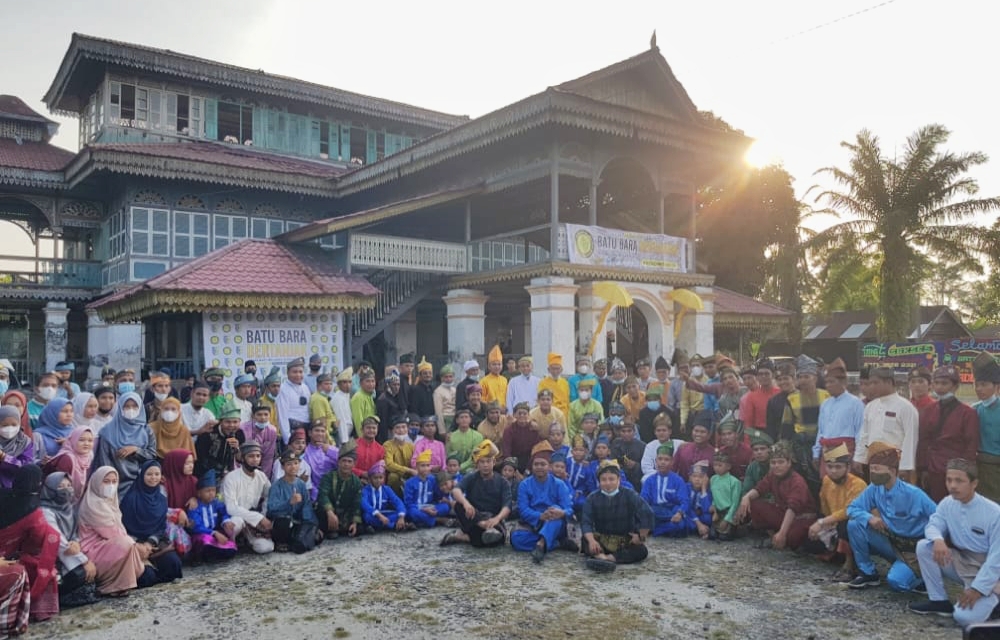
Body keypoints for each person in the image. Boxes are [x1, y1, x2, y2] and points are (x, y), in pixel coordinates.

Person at [909, 458, 1000, 626]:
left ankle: (995, 601)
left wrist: (978, 589)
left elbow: (997, 558)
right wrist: (938, 539)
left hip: (990, 570)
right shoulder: (947, 503)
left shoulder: (993, 512)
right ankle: (939, 602)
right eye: (949, 480)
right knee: (924, 546)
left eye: (959, 481)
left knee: (964, 618)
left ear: (974, 483)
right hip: (962, 562)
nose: (952, 486)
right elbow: (933, 525)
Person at [845, 441, 936, 591]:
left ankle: (922, 576)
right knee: (855, 524)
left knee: (897, 583)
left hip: (912, 549)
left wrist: (933, 544)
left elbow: (939, 517)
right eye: (871, 469)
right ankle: (868, 573)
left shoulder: (914, 494)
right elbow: (852, 508)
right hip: (891, 541)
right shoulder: (875, 488)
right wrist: (870, 518)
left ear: (893, 471)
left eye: (877, 469)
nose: (873, 473)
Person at [77, 467, 155, 596]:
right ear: (96, 483)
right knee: (127, 544)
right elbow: (113, 534)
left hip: (109, 549)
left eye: (114, 482)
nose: (111, 486)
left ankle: (122, 583)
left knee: (149, 575)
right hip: (93, 553)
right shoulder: (93, 505)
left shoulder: (109, 501)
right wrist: (136, 546)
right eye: (106, 482)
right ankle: (110, 586)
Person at [0, 465, 59, 621]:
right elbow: (38, 538)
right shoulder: (33, 509)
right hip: (11, 556)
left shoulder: (4, 495)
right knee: (38, 564)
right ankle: (34, 612)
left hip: (7, 554)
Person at [736, 440, 817, 551]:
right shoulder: (772, 475)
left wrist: (782, 533)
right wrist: (746, 498)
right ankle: (772, 536)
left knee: (792, 537)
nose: (776, 466)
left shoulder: (797, 481)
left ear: (789, 463)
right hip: (783, 513)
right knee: (754, 504)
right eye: (773, 463)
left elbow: (792, 508)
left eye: (780, 462)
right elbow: (760, 489)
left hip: (801, 517)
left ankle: (783, 537)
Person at [916, 365, 980, 502]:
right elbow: (923, 441)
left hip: (956, 470)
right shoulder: (928, 411)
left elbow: (971, 445)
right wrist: (922, 468)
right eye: (937, 383)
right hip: (932, 468)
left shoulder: (968, 413)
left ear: (955, 386)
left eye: (945, 383)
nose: (940, 387)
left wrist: (964, 473)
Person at [806, 443, 867, 582]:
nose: (833, 471)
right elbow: (824, 507)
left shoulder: (858, 484)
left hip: (857, 526)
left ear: (848, 467)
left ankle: (850, 565)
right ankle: (837, 553)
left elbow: (850, 511)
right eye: (830, 467)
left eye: (838, 467)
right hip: (833, 523)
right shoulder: (827, 480)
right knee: (810, 543)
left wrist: (823, 522)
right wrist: (823, 524)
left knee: (847, 525)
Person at [581, 460, 654, 572]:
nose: (608, 483)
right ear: (599, 481)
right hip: (602, 539)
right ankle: (600, 556)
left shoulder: (630, 494)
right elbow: (586, 522)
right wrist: (592, 541)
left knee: (641, 551)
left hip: (624, 541)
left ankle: (607, 558)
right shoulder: (592, 498)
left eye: (612, 479)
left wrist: (641, 536)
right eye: (604, 480)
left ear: (619, 480)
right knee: (585, 541)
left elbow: (647, 512)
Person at [39, 472, 98, 608]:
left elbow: (74, 533)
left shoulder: (69, 507)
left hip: (71, 551)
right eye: (60, 487)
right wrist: (84, 561)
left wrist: (76, 542)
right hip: (52, 556)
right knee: (82, 573)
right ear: (50, 489)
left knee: (94, 568)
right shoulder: (45, 510)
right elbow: (57, 540)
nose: (66, 490)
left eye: (69, 485)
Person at [118, 460, 183, 581]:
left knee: (174, 565)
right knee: (146, 577)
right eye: (149, 474)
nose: (153, 478)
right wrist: (139, 544)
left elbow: (161, 527)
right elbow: (123, 527)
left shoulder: (161, 499)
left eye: (157, 474)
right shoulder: (130, 499)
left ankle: (154, 571)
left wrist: (150, 543)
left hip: (155, 542)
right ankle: (150, 572)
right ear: (142, 475)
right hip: (134, 544)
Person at [511, 441, 574, 563]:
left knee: (554, 510)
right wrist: (540, 516)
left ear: (549, 467)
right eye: (536, 464)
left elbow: (569, 509)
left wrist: (561, 513)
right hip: (534, 523)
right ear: (532, 466)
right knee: (516, 540)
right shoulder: (524, 484)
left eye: (543, 464)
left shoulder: (559, 484)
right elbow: (523, 510)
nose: (539, 467)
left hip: (554, 521)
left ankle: (541, 544)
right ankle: (555, 543)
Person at [440, 439, 511, 548]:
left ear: (494, 462)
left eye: (488, 461)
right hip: (474, 518)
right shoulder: (471, 477)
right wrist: (466, 503)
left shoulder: (503, 482)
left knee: (498, 539)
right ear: (477, 464)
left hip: (493, 520)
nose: (485, 465)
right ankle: (482, 527)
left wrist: (497, 519)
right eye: (482, 462)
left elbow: (507, 506)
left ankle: (463, 537)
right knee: (459, 505)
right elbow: (456, 490)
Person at [854, 367, 919, 484]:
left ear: (889, 382)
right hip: (874, 462)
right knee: (877, 496)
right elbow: (865, 435)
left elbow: (910, 439)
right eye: (870, 383)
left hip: (895, 464)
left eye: (875, 383)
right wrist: (859, 458)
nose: (871, 387)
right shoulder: (870, 407)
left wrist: (905, 467)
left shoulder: (905, 407)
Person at [92, 393, 158, 499]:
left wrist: (136, 450)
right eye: (127, 406)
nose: (131, 409)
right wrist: (112, 481)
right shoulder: (108, 431)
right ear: (120, 408)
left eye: (134, 406)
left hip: (142, 481)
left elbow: (152, 455)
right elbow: (104, 461)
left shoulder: (146, 430)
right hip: (116, 484)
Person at [813, 358, 864, 478]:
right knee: (828, 486)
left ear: (843, 383)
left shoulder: (855, 403)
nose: (828, 386)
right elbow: (821, 431)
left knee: (846, 486)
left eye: (831, 382)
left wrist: (858, 457)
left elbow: (860, 433)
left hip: (846, 450)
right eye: (826, 382)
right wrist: (816, 453)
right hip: (826, 449)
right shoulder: (825, 404)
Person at [220, 442, 275, 554]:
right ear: (243, 458)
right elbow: (230, 508)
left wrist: (263, 514)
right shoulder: (231, 477)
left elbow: (270, 495)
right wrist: (258, 517)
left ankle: (247, 540)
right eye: (251, 456)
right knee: (236, 524)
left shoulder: (261, 476)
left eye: (258, 456)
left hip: (253, 520)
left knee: (266, 548)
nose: (255, 459)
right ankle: (231, 545)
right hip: (233, 517)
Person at [267, 450, 319, 552]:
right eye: (289, 464)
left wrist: (310, 524)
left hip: (297, 521)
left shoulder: (301, 484)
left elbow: (306, 505)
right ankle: (281, 542)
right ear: (282, 467)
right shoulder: (276, 486)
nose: (293, 467)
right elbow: (271, 509)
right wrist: (289, 503)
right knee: (283, 521)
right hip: (282, 523)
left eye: (296, 463)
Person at [186, 470, 238, 563]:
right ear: (199, 493)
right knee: (205, 540)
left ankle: (217, 553)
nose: (211, 494)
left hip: (216, 533)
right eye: (207, 491)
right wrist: (213, 533)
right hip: (201, 535)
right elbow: (195, 526)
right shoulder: (195, 506)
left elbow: (224, 513)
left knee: (231, 546)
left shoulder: (216, 503)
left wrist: (226, 521)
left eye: (213, 490)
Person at [640, 443, 690, 538]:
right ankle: (662, 529)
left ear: (672, 462)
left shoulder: (678, 480)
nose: (662, 462)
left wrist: (679, 513)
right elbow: (643, 500)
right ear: (656, 461)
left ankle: (654, 530)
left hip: (672, 512)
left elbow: (684, 501)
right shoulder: (649, 480)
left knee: (681, 524)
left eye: (666, 460)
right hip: (655, 512)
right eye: (660, 459)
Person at [317, 447, 363, 538]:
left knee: (360, 528)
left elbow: (356, 502)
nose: (346, 464)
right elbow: (323, 495)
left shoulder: (356, 481)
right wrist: (330, 512)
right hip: (329, 513)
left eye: (349, 462)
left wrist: (355, 522)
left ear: (354, 464)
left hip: (345, 514)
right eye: (344, 461)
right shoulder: (328, 477)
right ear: (338, 462)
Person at [194, 399, 245, 480]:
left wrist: (237, 449)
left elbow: (241, 459)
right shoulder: (208, 433)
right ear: (220, 422)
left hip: (228, 473)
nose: (231, 425)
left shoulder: (239, 434)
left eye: (235, 422)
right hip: (206, 473)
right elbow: (200, 458)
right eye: (227, 422)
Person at [973, 352, 1000, 501]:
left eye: (984, 385)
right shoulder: (973, 410)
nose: (979, 389)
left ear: (996, 386)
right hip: (979, 466)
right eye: (977, 385)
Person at [42, 426, 93, 501]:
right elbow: (60, 488)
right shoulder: (67, 459)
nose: (86, 443)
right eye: (81, 440)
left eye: (90, 440)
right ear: (74, 440)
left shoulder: (87, 457)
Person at [404, 449, 451, 528]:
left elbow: (438, 496)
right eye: (423, 466)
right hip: (416, 508)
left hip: (431, 506)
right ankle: (438, 520)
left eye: (427, 465)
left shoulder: (432, 479)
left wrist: (445, 490)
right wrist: (424, 509)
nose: (426, 468)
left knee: (445, 507)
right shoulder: (410, 482)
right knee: (412, 513)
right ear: (417, 467)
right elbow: (408, 502)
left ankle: (423, 521)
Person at [360, 460, 410, 533]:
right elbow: (365, 504)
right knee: (367, 517)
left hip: (385, 514)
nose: (378, 480)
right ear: (370, 479)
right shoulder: (366, 490)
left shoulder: (387, 489)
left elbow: (397, 502)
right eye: (375, 478)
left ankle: (379, 526)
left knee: (401, 513)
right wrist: (379, 515)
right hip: (374, 515)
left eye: (380, 478)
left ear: (384, 478)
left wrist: (401, 517)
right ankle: (394, 526)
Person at [277, 357, 311, 445]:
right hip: (293, 430)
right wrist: (287, 439)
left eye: (300, 372)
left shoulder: (305, 387)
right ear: (288, 373)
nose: (298, 375)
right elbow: (282, 415)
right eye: (294, 372)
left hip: (307, 430)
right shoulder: (283, 389)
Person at [241, 403, 280, 480]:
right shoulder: (243, 429)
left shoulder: (272, 430)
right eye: (259, 415)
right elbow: (240, 455)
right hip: (243, 463)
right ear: (253, 416)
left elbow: (268, 457)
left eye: (266, 414)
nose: (263, 418)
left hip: (260, 464)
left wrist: (263, 478)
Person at [709, 451, 743, 540]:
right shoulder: (713, 479)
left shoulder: (735, 482)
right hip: (718, 512)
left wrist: (727, 519)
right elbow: (714, 496)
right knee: (712, 535)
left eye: (720, 465)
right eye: (715, 465)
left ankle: (737, 528)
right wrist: (713, 505)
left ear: (728, 467)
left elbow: (735, 503)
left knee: (724, 537)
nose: (716, 468)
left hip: (729, 511)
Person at [301, 423, 338, 500]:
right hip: (315, 495)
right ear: (310, 433)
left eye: (322, 431)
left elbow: (344, 465)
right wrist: (318, 496)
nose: (320, 434)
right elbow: (307, 479)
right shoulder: (305, 452)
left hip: (334, 492)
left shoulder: (332, 449)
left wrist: (329, 451)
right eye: (317, 431)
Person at [31, 396, 74, 463]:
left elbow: (84, 457)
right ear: (52, 413)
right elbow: (28, 460)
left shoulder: (74, 433)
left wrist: (69, 444)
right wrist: (41, 462)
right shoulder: (38, 435)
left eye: (71, 411)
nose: (69, 415)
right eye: (64, 411)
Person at [502, 402, 542, 474]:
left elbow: (536, 451)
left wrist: (528, 470)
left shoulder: (533, 429)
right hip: (514, 462)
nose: (522, 415)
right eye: (519, 413)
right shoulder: (509, 431)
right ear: (514, 415)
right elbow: (506, 452)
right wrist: (514, 470)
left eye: (524, 413)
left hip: (530, 462)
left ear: (528, 415)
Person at [0, 405, 34, 489]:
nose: (9, 428)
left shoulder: (25, 442)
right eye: (4, 425)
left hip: (14, 488)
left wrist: (5, 457)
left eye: (14, 424)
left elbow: (25, 467)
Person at [742, 359, 780, 432]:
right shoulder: (751, 397)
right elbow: (748, 423)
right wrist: (748, 442)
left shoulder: (780, 393)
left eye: (766, 374)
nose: (763, 376)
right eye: (760, 374)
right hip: (760, 436)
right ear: (757, 377)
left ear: (773, 375)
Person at [383, 417, 416, 495]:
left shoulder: (411, 446)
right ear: (393, 431)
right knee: (393, 477)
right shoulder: (387, 445)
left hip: (409, 475)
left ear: (407, 429)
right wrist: (408, 470)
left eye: (403, 427)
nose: (401, 430)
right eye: (397, 428)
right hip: (396, 475)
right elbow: (389, 464)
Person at [766, 362, 797, 442]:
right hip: (782, 443)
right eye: (779, 379)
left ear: (793, 378)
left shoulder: (802, 397)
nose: (783, 382)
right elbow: (771, 427)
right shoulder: (773, 401)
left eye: (786, 378)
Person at [567, 377, 604, 442]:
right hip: (577, 435)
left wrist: (595, 436)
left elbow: (600, 422)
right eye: (581, 390)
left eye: (586, 390)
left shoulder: (597, 405)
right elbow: (571, 425)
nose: (584, 392)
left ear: (591, 391)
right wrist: (576, 438)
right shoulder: (572, 405)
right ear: (578, 391)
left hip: (594, 436)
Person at [448, 409, 485, 473]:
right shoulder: (451, 437)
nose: (464, 419)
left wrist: (461, 467)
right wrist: (455, 467)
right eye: (461, 417)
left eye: (466, 417)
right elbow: (449, 455)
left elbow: (474, 457)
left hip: (472, 468)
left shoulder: (478, 436)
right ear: (457, 420)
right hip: (453, 469)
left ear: (470, 420)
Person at [716, 415, 752, 480]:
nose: (727, 437)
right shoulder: (721, 452)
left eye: (729, 434)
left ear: (736, 435)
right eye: (723, 434)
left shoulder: (748, 451)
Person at [612, 420, 645, 489]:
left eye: (629, 431)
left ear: (634, 432)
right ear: (619, 432)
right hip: (619, 478)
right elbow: (612, 460)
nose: (626, 434)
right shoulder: (615, 443)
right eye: (623, 431)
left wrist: (635, 465)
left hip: (637, 479)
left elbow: (646, 465)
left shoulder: (642, 446)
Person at [375, 375, 407, 442]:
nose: (396, 387)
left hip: (398, 431)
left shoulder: (397, 397)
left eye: (398, 385)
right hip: (388, 433)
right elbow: (383, 422)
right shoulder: (383, 399)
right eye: (394, 384)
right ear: (388, 385)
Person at [686, 461, 714, 538]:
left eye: (701, 477)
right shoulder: (686, 488)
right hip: (689, 515)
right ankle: (701, 529)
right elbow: (687, 507)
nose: (697, 479)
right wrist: (699, 524)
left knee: (708, 518)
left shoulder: (708, 491)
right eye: (694, 476)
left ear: (706, 479)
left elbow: (706, 509)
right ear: (690, 477)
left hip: (699, 515)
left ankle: (700, 529)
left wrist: (703, 490)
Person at [310, 373, 339, 442]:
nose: (329, 386)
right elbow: (320, 423)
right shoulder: (318, 399)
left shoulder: (324, 397)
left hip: (329, 432)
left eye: (330, 384)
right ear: (318, 386)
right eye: (326, 384)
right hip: (325, 436)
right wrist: (328, 440)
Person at [331, 368, 355, 446]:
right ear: (338, 384)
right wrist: (344, 440)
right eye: (344, 382)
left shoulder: (347, 396)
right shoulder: (338, 398)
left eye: (349, 382)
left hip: (349, 432)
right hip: (342, 435)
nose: (348, 385)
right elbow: (341, 420)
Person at [350, 373, 377, 437]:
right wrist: (363, 439)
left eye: (373, 381)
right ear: (361, 383)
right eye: (367, 381)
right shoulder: (358, 397)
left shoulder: (369, 395)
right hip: (362, 436)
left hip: (370, 434)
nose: (371, 384)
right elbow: (358, 421)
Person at [433, 365, 457, 434]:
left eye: (450, 376)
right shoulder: (438, 391)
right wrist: (442, 430)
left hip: (456, 420)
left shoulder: (454, 390)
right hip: (445, 420)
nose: (448, 379)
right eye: (446, 377)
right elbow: (438, 412)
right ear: (441, 378)